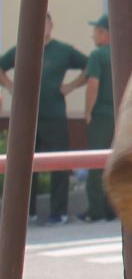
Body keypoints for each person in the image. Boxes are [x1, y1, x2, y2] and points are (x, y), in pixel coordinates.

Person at [0, 14, 90, 226]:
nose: (43, 28)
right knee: (24, 164)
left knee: (58, 163)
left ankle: (57, 212)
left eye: (46, 23)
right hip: (27, 117)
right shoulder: (23, 48)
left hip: (55, 116)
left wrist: (71, 86)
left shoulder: (63, 50)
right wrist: (11, 86)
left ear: (51, 25)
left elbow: (89, 66)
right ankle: (26, 212)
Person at [78, 14, 115, 222]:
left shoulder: (98, 55)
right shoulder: (123, 52)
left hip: (101, 115)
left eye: (95, 32)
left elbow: (93, 84)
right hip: (121, 116)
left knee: (96, 161)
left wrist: (88, 111)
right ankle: (113, 208)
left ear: (104, 33)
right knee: (115, 162)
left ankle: (96, 210)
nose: (93, 36)